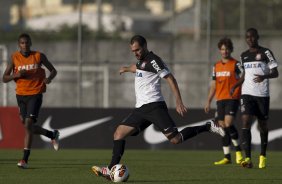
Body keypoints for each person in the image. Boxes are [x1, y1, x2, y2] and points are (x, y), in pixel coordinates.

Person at [91, 35, 225, 180]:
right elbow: (136, 68)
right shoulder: (141, 61)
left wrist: (178, 101)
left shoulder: (154, 60)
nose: (135, 53)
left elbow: (170, 78)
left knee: (176, 139)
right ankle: (110, 170)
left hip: (155, 107)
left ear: (145, 46)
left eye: (137, 50)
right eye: (133, 51)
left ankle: (208, 126)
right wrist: (125, 69)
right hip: (141, 109)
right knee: (119, 133)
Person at [2, 33, 60, 169]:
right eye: (22, 43)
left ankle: (24, 160)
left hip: (35, 93)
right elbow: (4, 78)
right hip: (21, 95)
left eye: (27, 42)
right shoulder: (14, 58)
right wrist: (15, 75)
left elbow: (53, 70)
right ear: (19, 45)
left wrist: (49, 79)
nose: (25, 45)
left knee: (28, 123)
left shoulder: (39, 56)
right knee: (28, 126)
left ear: (31, 43)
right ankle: (52, 134)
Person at [231, 28, 279, 169]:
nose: (250, 39)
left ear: (257, 37)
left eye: (252, 37)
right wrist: (235, 85)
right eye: (247, 37)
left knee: (262, 126)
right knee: (245, 121)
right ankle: (248, 159)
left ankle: (262, 156)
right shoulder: (243, 55)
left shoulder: (266, 52)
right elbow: (244, 76)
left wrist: (264, 76)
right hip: (247, 94)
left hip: (262, 95)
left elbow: (275, 72)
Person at [204, 37, 243, 165]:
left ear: (230, 50)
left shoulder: (236, 64)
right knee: (222, 127)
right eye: (222, 49)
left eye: (227, 49)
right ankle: (227, 157)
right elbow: (214, 85)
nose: (225, 51)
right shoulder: (216, 66)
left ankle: (238, 151)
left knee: (228, 123)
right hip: (220, 100)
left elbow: (244, 77)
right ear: (220, 51)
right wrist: (208, 101)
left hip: (232, 98)